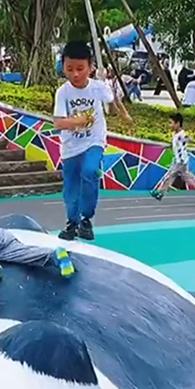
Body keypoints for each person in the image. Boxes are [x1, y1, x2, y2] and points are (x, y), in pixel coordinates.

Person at [52, 40, 134, 242]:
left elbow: (113, 100)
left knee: (90, 172)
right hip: (71, 147)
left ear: (90, 67)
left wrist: (125, 116)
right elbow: (58, 123)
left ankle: (86, 218)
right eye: (69, 69)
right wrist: (76, 121)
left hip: (94, 141)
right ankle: (72, 222)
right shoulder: (63, 92)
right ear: (63, 66)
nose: (75, 74)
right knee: (71, 188)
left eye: (80, 69)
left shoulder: (98, 87)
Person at [151, 113, 195, 202]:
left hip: (180, 161)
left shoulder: (181, 135)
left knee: (170, 175)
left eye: (171, 123)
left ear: (177, 123)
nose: (169, 125)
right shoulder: (175, 134)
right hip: (180, 160)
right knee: (187, 177)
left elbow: (190, 140)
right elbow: (174, 143)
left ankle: (160, 192)